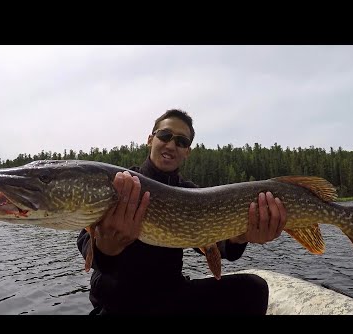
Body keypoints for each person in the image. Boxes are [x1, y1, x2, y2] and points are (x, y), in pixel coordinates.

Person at [77, 109, 287, 315]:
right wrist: (106, 247)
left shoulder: (192, 194)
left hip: (170, 297)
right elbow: (86, 244)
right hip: (118, 303)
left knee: (253, 289)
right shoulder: (122, 184)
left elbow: (220, 245)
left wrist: (240, 237)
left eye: (181, 141)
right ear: (150, 139)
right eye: (165, 135)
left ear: (187, 151)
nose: (171, 145)